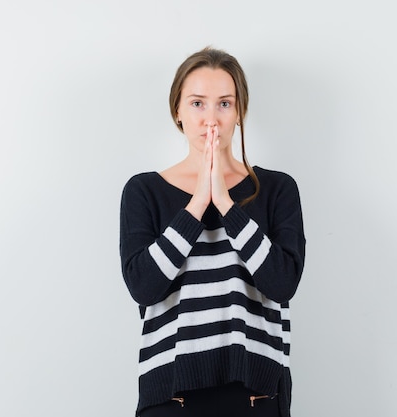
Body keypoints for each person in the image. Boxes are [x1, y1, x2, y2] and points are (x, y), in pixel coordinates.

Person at [119, 47, 306, 417]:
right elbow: (143, 286)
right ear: (178, 111)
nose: (211, 119)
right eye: (197, 103)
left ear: (239, 112)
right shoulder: (144, 191)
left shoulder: (276, 189)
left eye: (224, 104)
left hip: (256, 395)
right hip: (172, 396)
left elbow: (283, 284)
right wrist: (196, 204)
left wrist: (226, 205)